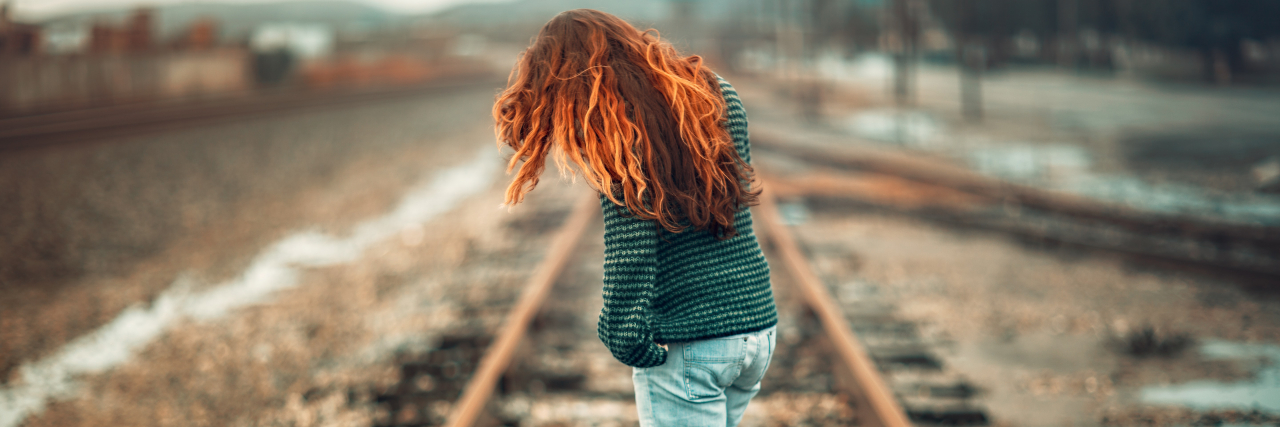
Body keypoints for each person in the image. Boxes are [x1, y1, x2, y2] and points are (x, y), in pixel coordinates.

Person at [492, 9, 777, 427]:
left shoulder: (616, 129)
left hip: (690, 342)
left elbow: (631, 248)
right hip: (756, 328)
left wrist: (624, 335)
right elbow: (735, 205)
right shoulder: (715, 92)